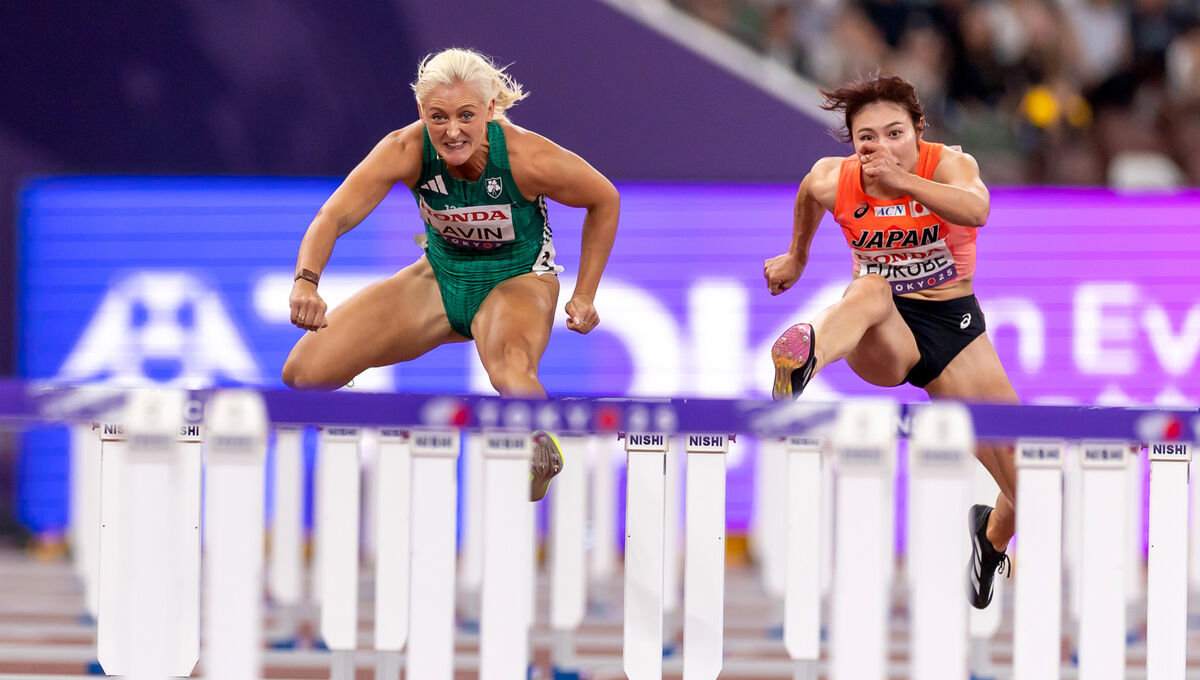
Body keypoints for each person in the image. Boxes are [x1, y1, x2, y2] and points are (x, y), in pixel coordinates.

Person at [281, 48, 620, 501]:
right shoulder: (404, 148)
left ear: (490, 110)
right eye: (438, 117)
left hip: (515, 279)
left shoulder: (527, 156)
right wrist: (306, 280)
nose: (453, 131)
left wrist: (584, 294)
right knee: (303, 373)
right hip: (439, 277)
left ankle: (537, 446)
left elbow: (604, 199)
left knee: (511, 368)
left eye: (466, 115)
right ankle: (354, 362)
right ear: (422, 111)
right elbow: (333, 216)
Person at [764, 73, 1017, 609]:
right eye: (867, 139)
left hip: (956, 331)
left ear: (919, 130)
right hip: (883, 330)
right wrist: (797, 256)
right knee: (871, 287)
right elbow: (810, 191)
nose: (881, 148)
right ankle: (807, 353)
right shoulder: (836, 179)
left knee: (1034, 490)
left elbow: (977, 211)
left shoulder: (949, 165)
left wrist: (905, 182)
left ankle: (990, 541)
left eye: (895, 133)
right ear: (853, 146)